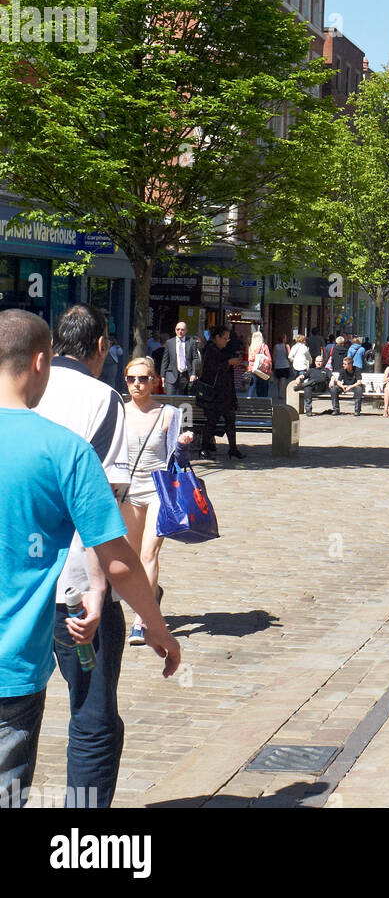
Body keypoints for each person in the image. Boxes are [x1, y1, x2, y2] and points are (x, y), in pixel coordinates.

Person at [0, 311, 180, 806]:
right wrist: (153, 621)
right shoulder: (93, 414)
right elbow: (109, 539)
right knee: (93, 715)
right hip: (71, 602)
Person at [32, 304, 132, 809]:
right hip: (76, 591)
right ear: (100, 347)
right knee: (92, 717)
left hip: (17, 584)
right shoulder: (104, 399)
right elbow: (106, 506)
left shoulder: (19, 391)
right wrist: (107, 588)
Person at [120, 357, 194, 646]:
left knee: (149, 554)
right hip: (127, 491)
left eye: (142, 378)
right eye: (131, 379)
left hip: (157, 490)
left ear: (154, 381)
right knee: (130, 559)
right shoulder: (119, 413)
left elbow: (179, 460)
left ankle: (142, 620)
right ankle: (153, 595)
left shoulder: (169, 414)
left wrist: (183, 445)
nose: (137, 384)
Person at [199, 325, 244, 458]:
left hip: (225, 393)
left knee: (230, 420)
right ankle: (204, 448)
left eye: (228, 339)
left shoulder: (220, 349)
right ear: (217, 337)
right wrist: (229, 362)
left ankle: (233, 449)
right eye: (224, 338)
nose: (226, 341)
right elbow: (211, 369)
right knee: (212, 421)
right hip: (215, 394)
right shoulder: (210, 349)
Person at [159, 322, 200, 397]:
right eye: (178, 329)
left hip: (186, 375)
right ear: (175, 330)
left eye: (182, 330)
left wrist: (193, 373)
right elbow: (165, 360)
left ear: (186, 331)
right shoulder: (169, 342)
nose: (180, 332)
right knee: (170, 400)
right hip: (171, 375)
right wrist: (162, 376)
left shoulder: (191, 342)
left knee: (183, 402)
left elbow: (195, 358)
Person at [246, 328, 272, 398]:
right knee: (262, 388)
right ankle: (262, 404)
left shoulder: (251, 347)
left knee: (252, 386)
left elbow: (250, 359)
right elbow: (269, 359)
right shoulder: (264, 346)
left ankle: (248, 401)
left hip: (252, 369)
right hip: (261, 370)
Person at [271, 334, 291, 400]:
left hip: (278, 365)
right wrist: (291, 363)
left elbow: (274, 356)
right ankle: (283, 393)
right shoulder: (286, 346)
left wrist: (274, 364)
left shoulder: (276, 346)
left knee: (279, 380)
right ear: (283, 339)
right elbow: (289, 356)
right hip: (285, 364)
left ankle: (279, 393)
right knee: (284, 379)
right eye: (285, 338)